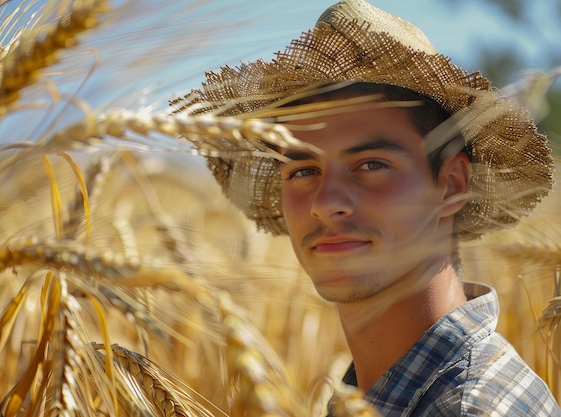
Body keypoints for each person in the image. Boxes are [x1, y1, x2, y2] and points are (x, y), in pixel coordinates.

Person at [172, 0, 561, 415]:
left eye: (372, 165)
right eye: (303, 170)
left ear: (451, 185)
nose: (326, 204)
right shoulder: (380, 396)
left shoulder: (470, 407)